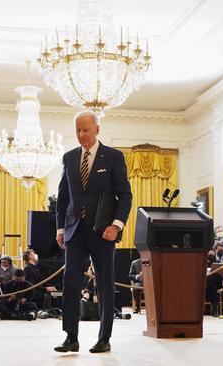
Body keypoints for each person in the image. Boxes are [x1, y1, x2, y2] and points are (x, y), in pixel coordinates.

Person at [54, 110, 132, 354]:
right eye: (77, 130)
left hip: (103, 233)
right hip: (75, 232)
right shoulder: (69, 158)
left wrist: (116, 225)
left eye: (85, 129)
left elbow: (125, 195)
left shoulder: (113, 157)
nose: (81, 134)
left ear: (97, 129)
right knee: (70, 283)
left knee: (105, 285)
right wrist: (60, 227)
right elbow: (63, 197)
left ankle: (104, 338)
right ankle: (71, 337)